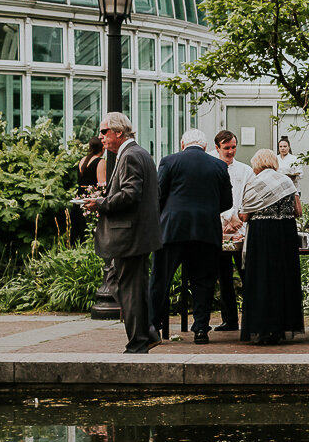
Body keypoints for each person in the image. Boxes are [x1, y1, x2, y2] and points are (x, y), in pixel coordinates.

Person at [84, 112, 160, 354]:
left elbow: (130, 194)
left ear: (119, 132)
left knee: (128, 289)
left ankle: (139, 342)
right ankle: (146, 333)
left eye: (104, 131)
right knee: (127, 286)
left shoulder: (130, 156)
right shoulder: (137, 154)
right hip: (137, 235)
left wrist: (101, 203)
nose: (101, 137)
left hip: (131, 237)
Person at [151, 128, 231, 344]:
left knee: (161, 279)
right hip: (206, 231)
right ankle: (201, 330)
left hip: (173, 229)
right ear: (205, 147)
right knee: (203, 282)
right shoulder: (219, 165)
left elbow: (158, 195)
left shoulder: (169, 161)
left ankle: (153, 326)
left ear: (182, 144)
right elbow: (227, 202)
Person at [238, 149, 304, 345]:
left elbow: (244, 215)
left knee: (261, 279)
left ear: (257, 164)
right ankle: (280, 327)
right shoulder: (286, 182)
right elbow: (298, 211)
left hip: (261, 235)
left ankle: (262, 329)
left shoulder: (254, 182)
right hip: (285, 234)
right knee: (283, 279)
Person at [211, 130, 251, 332]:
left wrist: (237, 217)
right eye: (226, 148)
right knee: (224, 276)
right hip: (218, 228)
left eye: (233, 147)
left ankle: (251, 317)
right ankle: (229, 319)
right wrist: (226, 217)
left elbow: (249, 195)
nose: (231, 151)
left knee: (246, 273)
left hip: (241, 228)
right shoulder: (210, 167)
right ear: (217, 148)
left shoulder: (245, 170)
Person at [71, 136, 106, 241]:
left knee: (79, 229)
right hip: (91, 199)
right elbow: (102, 184)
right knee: (89, 229)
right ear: (102, 148)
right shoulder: (100, 162)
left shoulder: (83, 160)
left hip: (79, 196)